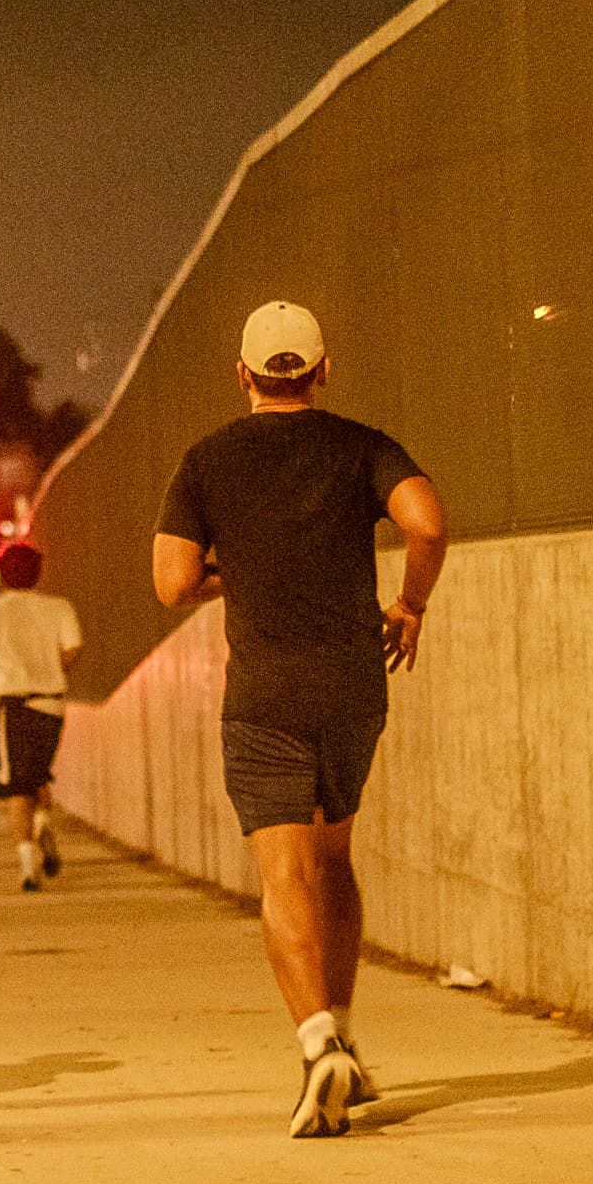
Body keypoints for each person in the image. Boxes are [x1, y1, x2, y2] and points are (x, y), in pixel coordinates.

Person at [152, 301, 446, 1139]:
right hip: (355, 684)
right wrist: (412, 603)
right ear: (321, 371)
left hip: (266, 696)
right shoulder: (360, 445)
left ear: (242, 374)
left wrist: (229, 568)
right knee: (335, 857)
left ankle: (318, 1047)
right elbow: (426, 520)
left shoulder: (206, 461)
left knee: (282, 874)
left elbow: (171, 581)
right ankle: (347, 1031)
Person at [0, 543, 82, 891]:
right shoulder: (58, 607)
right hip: (51, 704)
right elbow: (72, 648)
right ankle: (43, 821)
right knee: (38, 775)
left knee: (17, 786)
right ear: (37, 573)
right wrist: (47, 668)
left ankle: (28, 865)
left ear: (2, 574)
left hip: (12, 705)